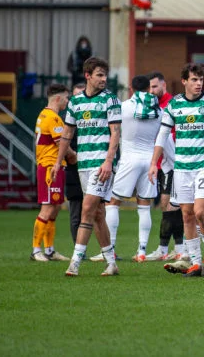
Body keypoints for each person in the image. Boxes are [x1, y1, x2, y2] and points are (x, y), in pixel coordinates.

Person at [148, 64, 204, 277]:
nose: (199, 84)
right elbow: (162, 135)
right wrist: (153, 164)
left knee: (200, 211)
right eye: (194, 80)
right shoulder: (174, 104)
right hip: (182, 167)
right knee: (186, 215)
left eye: (201, 80)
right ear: (184, 81)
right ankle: (195, 261)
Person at [55, 57, 122, 277]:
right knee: (97, 214)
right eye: (99, 75)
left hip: (101, 164)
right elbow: (67, 134)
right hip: (83, 164)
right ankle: (111, 263)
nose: (103, 79)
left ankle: (74, 263)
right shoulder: (75, 102)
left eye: (105, 75)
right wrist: (58, 162)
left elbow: (115, 133)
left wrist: (109, 161)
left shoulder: (110, 100)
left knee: (86, 210)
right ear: (88, 76)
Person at [104, 75, 161, 263]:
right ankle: (142, 250)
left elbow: (112, 131)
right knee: (144, 206)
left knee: (113, 203)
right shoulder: (159, 109)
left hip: (128, 159)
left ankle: (110, 248)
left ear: (131, 88)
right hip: (149, 160)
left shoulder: (123, 107)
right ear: (149, 88)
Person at [31, 84, 73, 262]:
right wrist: (75, 157)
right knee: (47, 208)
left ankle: (49, 250)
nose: (67, 101)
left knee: (54, 208)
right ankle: (36, 250)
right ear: (57, 99)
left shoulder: (43, 114)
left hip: (53, 167)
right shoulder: (53, 118)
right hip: (50, 168)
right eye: (66, 98)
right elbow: (62, 145)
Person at [147, 72, 186, 261]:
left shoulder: (172, 104)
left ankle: (173, 248)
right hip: (163, 163)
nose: (151, 91)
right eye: (149, 88)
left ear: (163, 85)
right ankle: (175, 248)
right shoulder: (151, 105)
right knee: (169, 205)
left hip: (174, 162)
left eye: (155, 87)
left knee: (171, 204)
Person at [66, 83, 85, 243]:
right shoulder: (68, 120)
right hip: (74, 172)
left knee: (101, 213)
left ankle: (106, 250)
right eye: (75, 96)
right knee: (75, 215)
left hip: (94, 171)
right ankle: (79, 249)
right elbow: (65, 146)